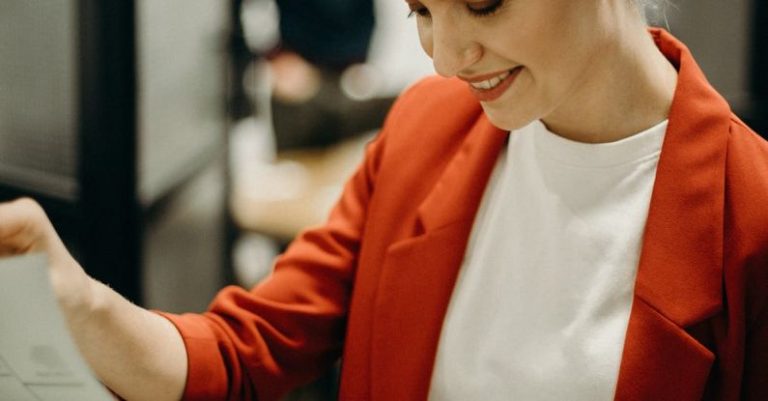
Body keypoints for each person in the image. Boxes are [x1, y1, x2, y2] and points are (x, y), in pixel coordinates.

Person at [0, 0, 766, 400]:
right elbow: (243, 351)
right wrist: (76, 299)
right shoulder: (425, 133)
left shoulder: (750, 217)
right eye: (421, 11)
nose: (446, 57)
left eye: (483, 2)